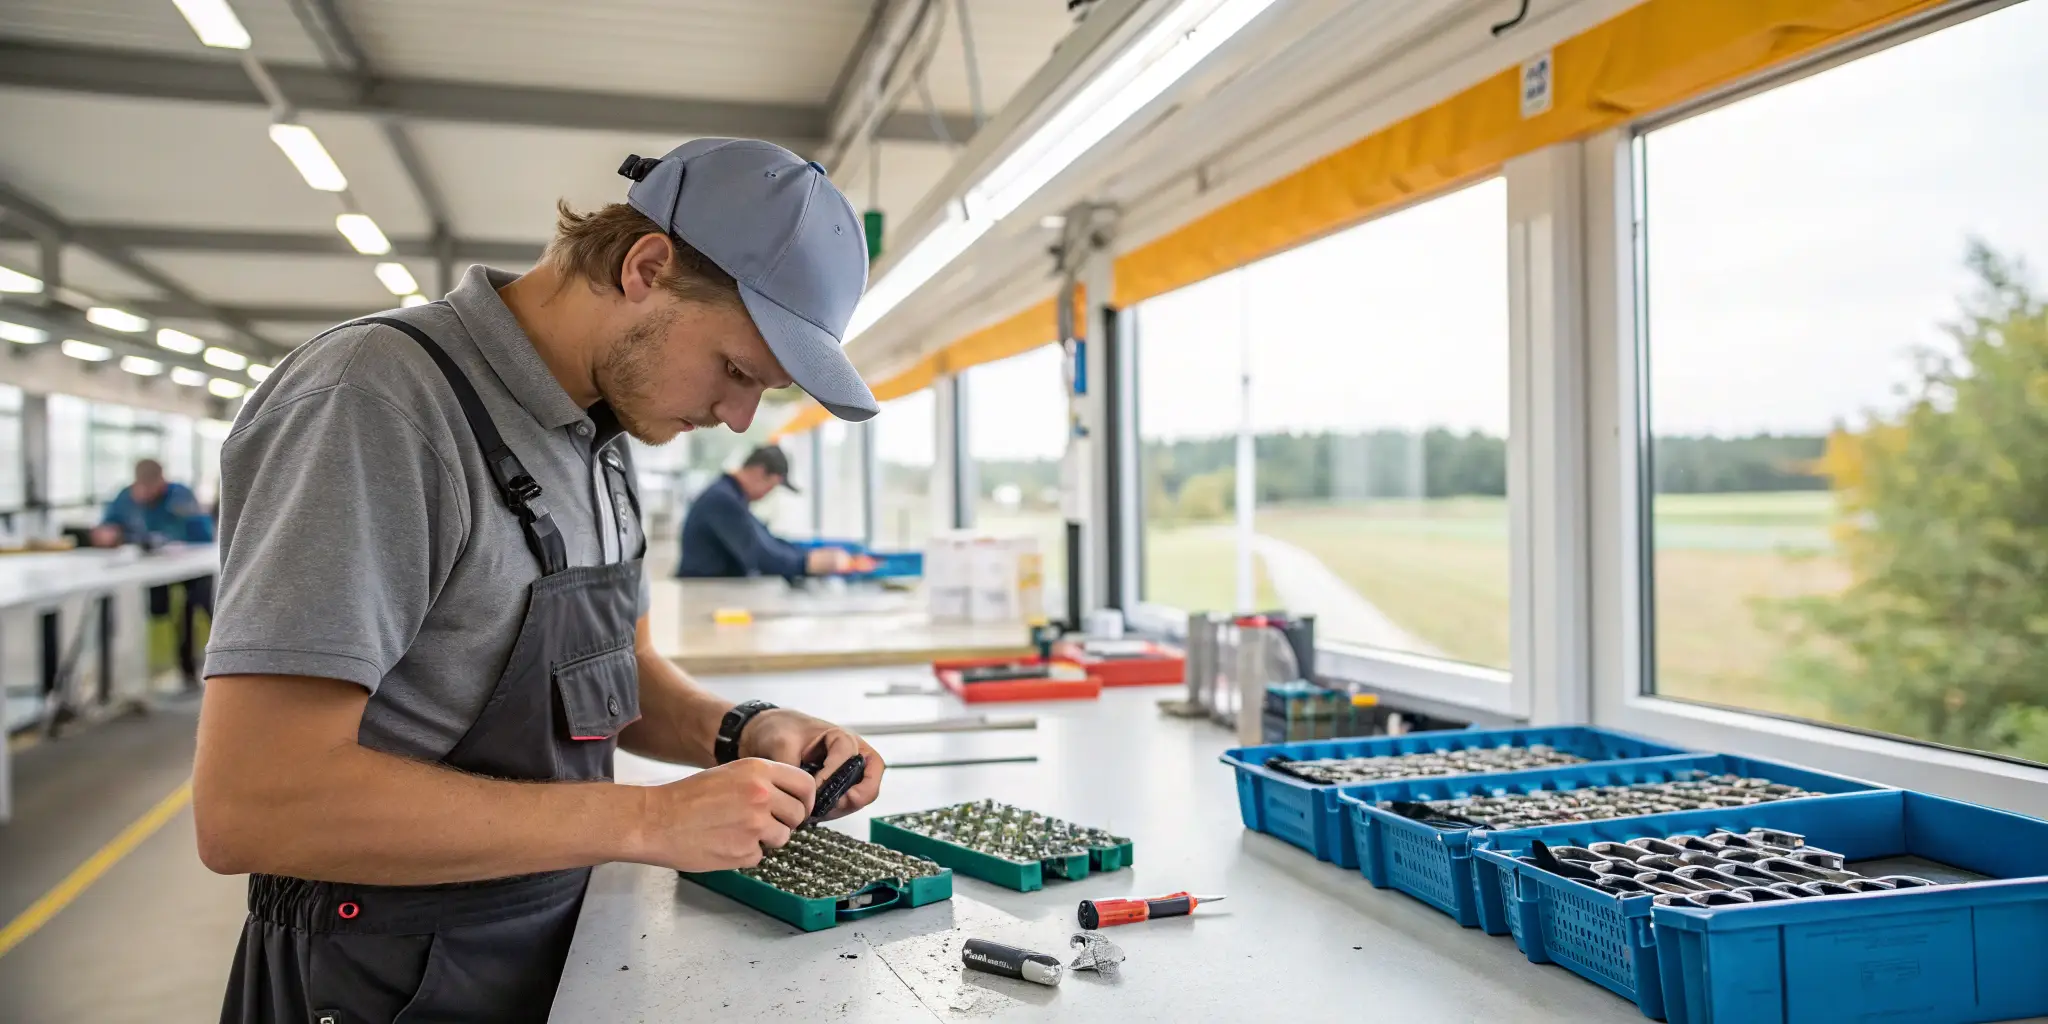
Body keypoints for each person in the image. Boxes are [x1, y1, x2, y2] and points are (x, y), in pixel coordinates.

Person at [192, 139, 886, 1023]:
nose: (737, 417)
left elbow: (613, 676)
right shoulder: (377, 403)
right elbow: (253, 803)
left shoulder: (604, 433)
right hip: (380, 973)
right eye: (738, 371)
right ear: (646, 267)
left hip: (546, 942)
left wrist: (744, 731)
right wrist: (647, 821)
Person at [93, 459, 215, 687]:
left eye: (151, 488)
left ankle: (193, 670)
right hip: (152, 570)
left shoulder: (180, 496)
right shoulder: (125, 498)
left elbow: (204, 534)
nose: (146, 494)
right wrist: (106, 534)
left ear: (162, 482)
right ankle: (157, 672)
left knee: (195, 609)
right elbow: (108, 525)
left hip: (191, 569)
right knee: (158, 612)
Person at [677, 444, 854, 578]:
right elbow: (760, 556)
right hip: (702, 592)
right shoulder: (722, 500)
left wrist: (805, 553)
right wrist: (807, 563)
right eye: (771, 487)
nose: (766, 495)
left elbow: (767, 541)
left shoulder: (732, 496)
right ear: (759, 472)